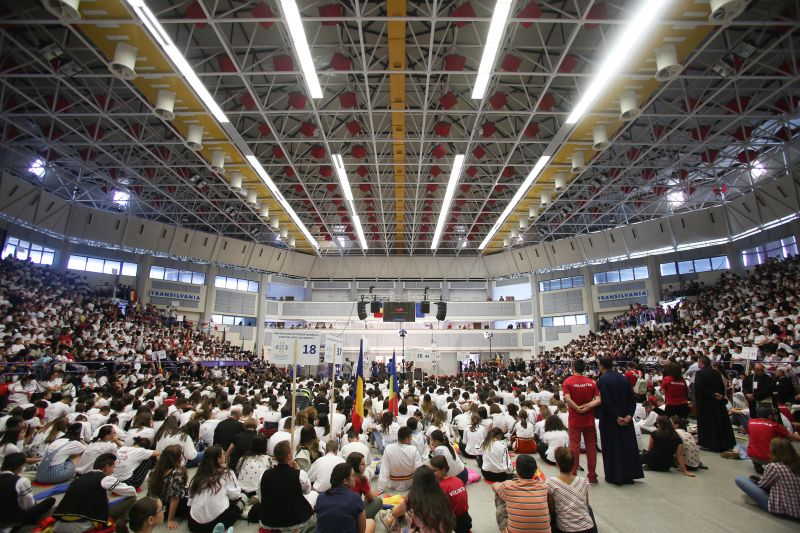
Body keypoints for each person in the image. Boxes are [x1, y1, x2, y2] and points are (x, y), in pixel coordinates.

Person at [51, 453, 137, 533]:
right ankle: (121, 525)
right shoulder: (104, 478)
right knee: (132, 498)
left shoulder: (79, 478)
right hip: (80, 526)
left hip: (59, 525)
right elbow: (131, 491)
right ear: (106, 467)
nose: (113, 471)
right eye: (113, 468)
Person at [597, 358, 643, 486]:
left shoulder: (603, 379)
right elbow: (631, 398)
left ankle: (615, 475)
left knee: (612, 447)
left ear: (601, 366)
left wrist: (616, 416)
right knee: (626, 446)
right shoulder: (623, 378)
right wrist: (629, 414)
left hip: (610, 418)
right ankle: (629, 474)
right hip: (626, 416)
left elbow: (606, 400)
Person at [735, 437, 800, 520]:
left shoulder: (774, 466)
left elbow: (762, 485)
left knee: (740, 479)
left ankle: (757, 500)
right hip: (797, 511)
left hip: (781, 510)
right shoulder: (797, 464)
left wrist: (756, 481)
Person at [258, 440, 314, 531]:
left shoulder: (264, 475)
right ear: (289, 456)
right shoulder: (300, 475)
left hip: (270, 520)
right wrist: (297, 470)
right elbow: (307, 491)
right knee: (312, 497)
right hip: (296, 520)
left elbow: (261, 498)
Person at [186, 445, 242, 533]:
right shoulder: (227, 473)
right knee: (239, 505)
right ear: (218, 459)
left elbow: (190, 499)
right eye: (223, 454)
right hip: (216, 522)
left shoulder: (198, 475)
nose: (225, 455)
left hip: (194, 524)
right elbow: (235, 495)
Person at [561, 360, 599, 483]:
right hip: (589, 419)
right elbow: (598, 400)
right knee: (591, 447)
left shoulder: (568, 381)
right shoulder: (591, 383)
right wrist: (587, 406)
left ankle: (573, 474)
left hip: (575, 418)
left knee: (574, 447)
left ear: (573, 368)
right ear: (584, 368)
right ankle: (592, 476)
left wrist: (577, 407)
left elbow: (567, 399)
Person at [388, 466, 456, 533]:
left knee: (401, 517)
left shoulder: (413, 498)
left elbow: (395, 513)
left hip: (429, 530)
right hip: (447, 529)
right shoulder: (441, 493)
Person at [493, 454, 551, 533]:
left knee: (498, 494)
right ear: (535, 470)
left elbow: (494, 486)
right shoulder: (544, 486)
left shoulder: (508, 486)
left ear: (516, 470)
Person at [0, 452, 56, 529]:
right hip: (13, 521)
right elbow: (28, 505)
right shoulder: (21, 481)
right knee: (51, 500)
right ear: (19, 467)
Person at [545, 448, 596, 533]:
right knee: (589, 508)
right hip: (588, 528)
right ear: (573, 465)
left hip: (565, 529)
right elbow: (586, 505)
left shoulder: (551, 482)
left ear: (557, 464)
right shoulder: (583, 480)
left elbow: (551, 509)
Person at [314, 462, 374, 533]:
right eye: (353, 475)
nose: (355, 478)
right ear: (345, 481)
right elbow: (362, 530)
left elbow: (320, 522)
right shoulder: (355, 498)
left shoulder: (321, 497)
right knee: (371, 522)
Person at [694, 356, 736, 452]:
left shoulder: (700, 373)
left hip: (705, 402)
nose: (698, 364)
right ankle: (721, 443)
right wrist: (718, 396)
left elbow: (700, 387)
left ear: (702, 363)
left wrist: (712, 394)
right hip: (717, 401)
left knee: (707, 424)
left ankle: (708, 443)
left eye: (698, 362)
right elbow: (721, 387)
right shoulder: (716, 373)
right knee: (717, 422)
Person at [147, 445, 188, 530]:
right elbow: (175, 498)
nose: (183, 457)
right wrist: (170, 520)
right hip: (170, 508)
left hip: (158, 508)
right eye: (181, 455)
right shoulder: (178, 473)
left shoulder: (154, 471)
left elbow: (150, 493)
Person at [430, 455, 472, 533]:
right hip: (466, 520)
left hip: (453, 524)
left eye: (434, 471)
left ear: (443, 470)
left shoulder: (440, 487)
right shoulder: (458, 480)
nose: (432, 474)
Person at [377, 426, 423, 491]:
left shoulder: (388, 448)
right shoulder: (414, 449)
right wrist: (419, 487)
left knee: (379, 465)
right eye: (411, 438)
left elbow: (384, 470)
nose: (411, 440)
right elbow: (418, 469)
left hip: (392, 484)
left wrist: (380, 488)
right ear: (406, 439)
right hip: (409, 483)